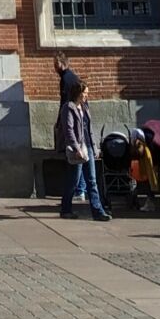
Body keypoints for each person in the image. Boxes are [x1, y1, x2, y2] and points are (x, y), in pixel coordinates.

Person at [55, 67, 110, 221]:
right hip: (78, 148)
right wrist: (76, 148)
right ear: (78, 93)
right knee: (73, 180)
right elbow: (69, 130)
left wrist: (94, 147)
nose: (87, 96)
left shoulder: (85, 107)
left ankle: (98, 211)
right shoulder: (69, 108)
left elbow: (89, 128)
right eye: (85, 93)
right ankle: (66, 209)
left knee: (92, 180)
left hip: (89, 148)